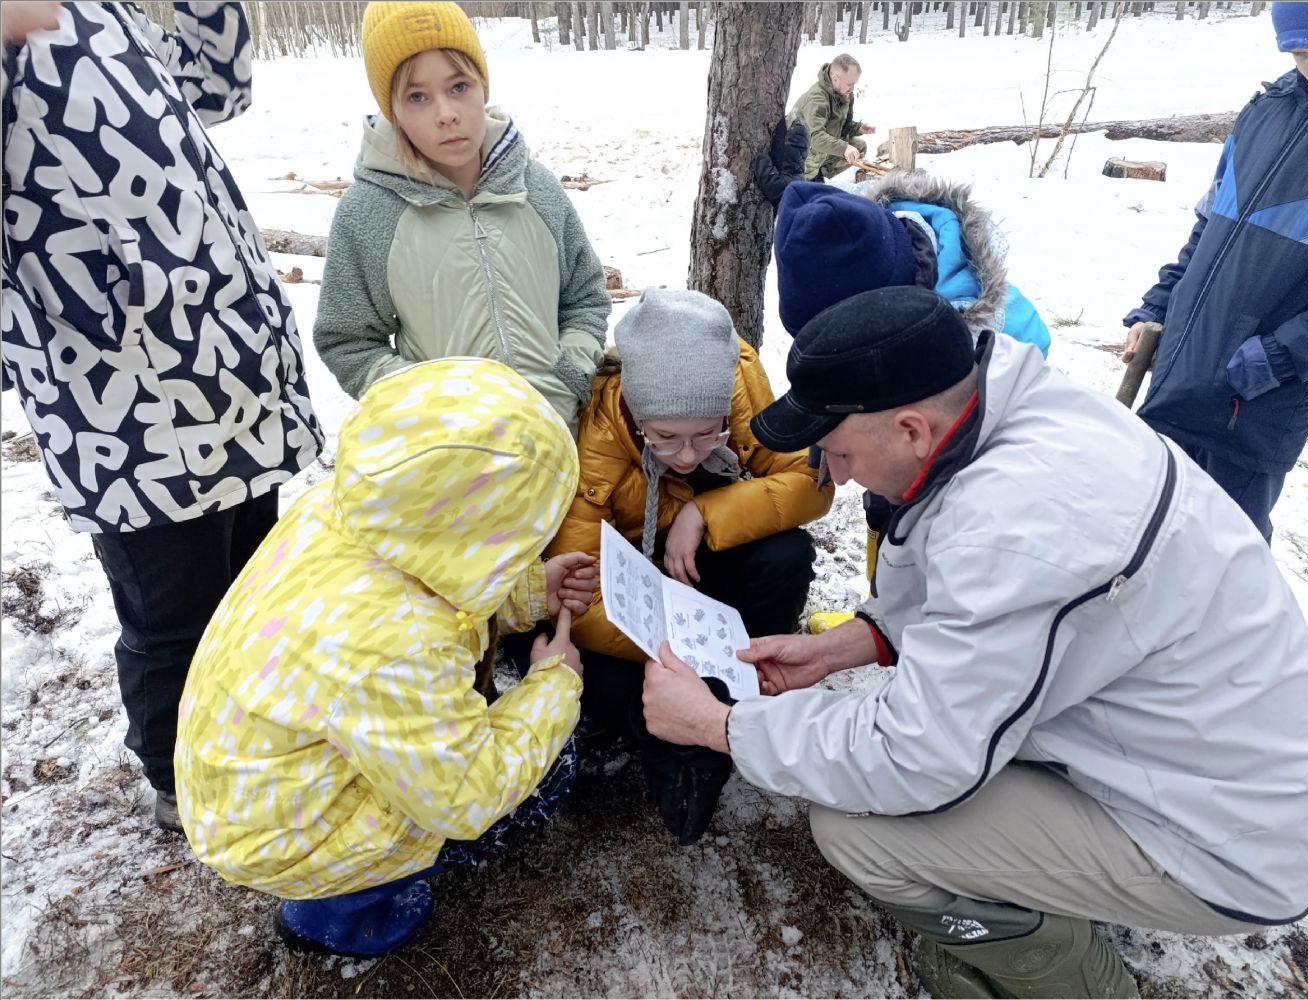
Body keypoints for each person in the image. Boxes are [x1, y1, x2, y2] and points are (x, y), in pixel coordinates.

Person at [641, 286, 1308, 999]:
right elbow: (964, 576)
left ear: (910, 430)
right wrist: (846, 646)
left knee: (859, 832)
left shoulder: (1019, 525)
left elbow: (919, 758)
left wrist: (720, 726)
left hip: (1225, 841)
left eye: (839, 452)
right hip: (1201, 753)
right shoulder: (999, 408)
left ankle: (1071, 980)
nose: (836, 474)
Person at [1, 2, 325, 832]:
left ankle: (251, 740)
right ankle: (180, 783)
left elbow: (220, 84)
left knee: (254, 587)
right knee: (172, 617)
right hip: (123, 412)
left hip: (230, 374)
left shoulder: (107, 13)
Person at [176, 358, 599, 958]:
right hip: (277, 838)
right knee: (533, 778)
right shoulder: (397, 649)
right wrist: (553, 685)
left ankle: (341, 881)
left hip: (244, 787)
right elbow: (468, 794)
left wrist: (530, 590)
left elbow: (432, 582)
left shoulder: (346, 512)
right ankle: (338, 911)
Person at [545, 289, 833, 845]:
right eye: (664, 438)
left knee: (787, 555)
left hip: (697, 561)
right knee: (600, 677)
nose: (686, 455)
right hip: (632, 589)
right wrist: (680, 655)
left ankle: (733, 691)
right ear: (636, 413)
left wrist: (705, 512)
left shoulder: (737, 381)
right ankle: (684, 731)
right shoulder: (597, 428)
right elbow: (579, 590)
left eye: (707, 434)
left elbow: (810, 480)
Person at [755, 160, 1051, 623]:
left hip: (965, 453)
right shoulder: (864, 239)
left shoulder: (975, 328)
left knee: (926, 521)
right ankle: (885, 614)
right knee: (882, 502)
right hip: (900, 435)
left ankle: (920, 623)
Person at [313, 1, 611, 431]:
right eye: (417, 96)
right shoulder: (369, 212)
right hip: (447, 453)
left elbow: (584, 298)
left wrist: (568, 375)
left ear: (482, 87)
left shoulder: (536, 189)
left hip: (556, 435)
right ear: (392, 110)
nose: (446, 114)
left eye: (458, 87)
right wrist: (430, 407)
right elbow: (348, 341)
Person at [1121, 0, 1308, 543]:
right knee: (1145, 535)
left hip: (1257, 405)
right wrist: (1157, 307)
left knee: (1226, 555)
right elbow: (1210, 227)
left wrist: (1277, 357)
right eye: (1301, 54)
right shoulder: (1265, 111)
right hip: (1181, 375)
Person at [790, 53, 876, 182]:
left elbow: (842, 126)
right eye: (850, 84)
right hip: (798, 156)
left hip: (818, 151)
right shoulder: (817, 99)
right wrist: (844, 148)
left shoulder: (845, 93)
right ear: (835, 79)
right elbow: (815, 138)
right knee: (846, 148)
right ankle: (809, 177)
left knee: (858, 147)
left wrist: (857, 128)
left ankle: (820, 173)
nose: (852, 89)